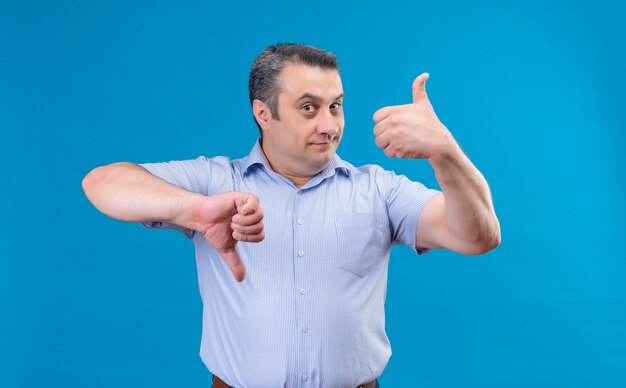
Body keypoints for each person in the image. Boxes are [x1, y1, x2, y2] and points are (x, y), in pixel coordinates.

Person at [82, 43, 500, 388]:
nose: (329, 125)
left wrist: (445, 152)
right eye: (308, 108)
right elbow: (102, 183)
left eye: (335, 106)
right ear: (264, 114)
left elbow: (478, 236)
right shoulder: (214, 181)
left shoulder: (379, 189)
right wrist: (197, 209)